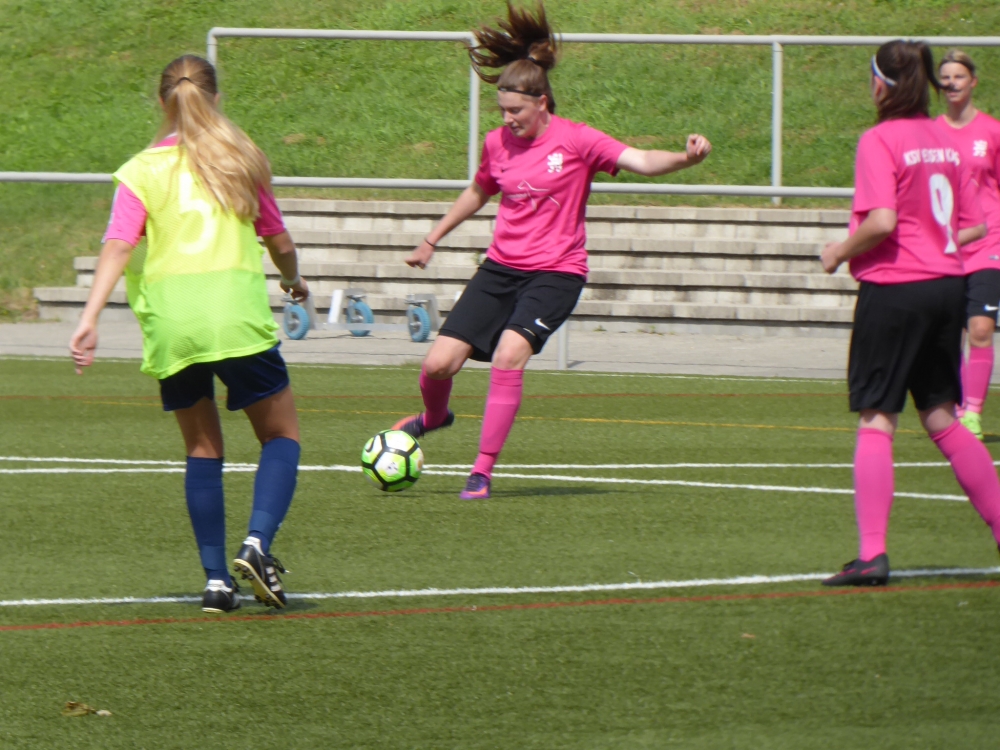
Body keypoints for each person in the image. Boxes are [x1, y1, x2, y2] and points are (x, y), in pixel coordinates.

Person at [389, 1, 712, 499]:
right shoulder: (497, 144)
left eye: (516, 111)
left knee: (508, 355)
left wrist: (686, 159)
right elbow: (479, 190)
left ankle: (482, 471)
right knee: (437, 364)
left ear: (542, 103)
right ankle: (435, 417)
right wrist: (432, 238)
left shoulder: (578, 141)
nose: (507, 120)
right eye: (502, 111)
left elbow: (642, 160)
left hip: (557, 273)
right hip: (500, 269)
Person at [69, 55, 309, 613]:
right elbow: (278, 240)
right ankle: (257, 543)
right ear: (216, 99)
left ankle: (217, 582)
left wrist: (89, 316)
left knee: (203, 449)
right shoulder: (240, 158)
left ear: (162, 103)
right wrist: (293, 282)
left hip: (173, 323)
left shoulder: (140, 170)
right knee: (282, 436)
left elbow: (119, 245)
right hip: (235, 317)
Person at [820, 40, 1000, 586]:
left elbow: (882, 220)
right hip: (947, 286)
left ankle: (872, 554)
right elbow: (973, 224)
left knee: (877, 417)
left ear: (882, 83)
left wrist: (838, 252)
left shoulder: (879, 139)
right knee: (943, 417)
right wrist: (934, 244)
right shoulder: (945, 140)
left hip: (895, 290)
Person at [936, 50, 1000, 441]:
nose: (952, 83)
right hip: (945, 247)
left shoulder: (992, 131)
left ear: (972, 81)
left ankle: (973, 414)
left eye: (959, 76)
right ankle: (957, 409)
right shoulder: (929, 135)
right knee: (948, 333)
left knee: (980, 328)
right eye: (945, 77)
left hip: (989, 242)